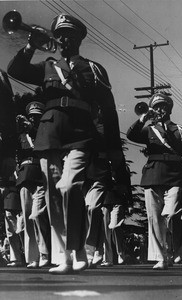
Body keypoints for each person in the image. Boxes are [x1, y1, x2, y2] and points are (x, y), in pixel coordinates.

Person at [8, 13, 127, 274]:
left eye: (69, 34)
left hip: (81, 134)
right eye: (60, 34)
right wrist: (31, 45)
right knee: (52, 195)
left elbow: (108, 110)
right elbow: (15, 70)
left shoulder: (93, 69)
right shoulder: (48, 66)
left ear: (79, 38)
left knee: (69, 186)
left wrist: (114, 148)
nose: (64, 39)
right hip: (50, 134)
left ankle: (79, 249)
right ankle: (65, 256)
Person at [127, 92, 182, 270]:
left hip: (175, 176)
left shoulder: (181, 130)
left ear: (169, 109)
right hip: (153, 175)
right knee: (155, 218)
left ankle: (174, 248)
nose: (160, 110)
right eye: (156, 107)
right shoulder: (149, 129)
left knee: (171, 215)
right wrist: (143, 119)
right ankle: (162, 257)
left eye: (163, 106)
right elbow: (131, 135)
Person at [15, 101, 50, 269]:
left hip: (40, 177)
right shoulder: (21, 135)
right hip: (24, 177)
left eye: (36, 117)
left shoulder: (43, 131)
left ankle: (45, 252)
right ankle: (32, 257)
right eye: (30, 117)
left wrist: (33, 130)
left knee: (37, 216)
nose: (32, 119)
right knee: (27, 220)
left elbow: (44, 145)